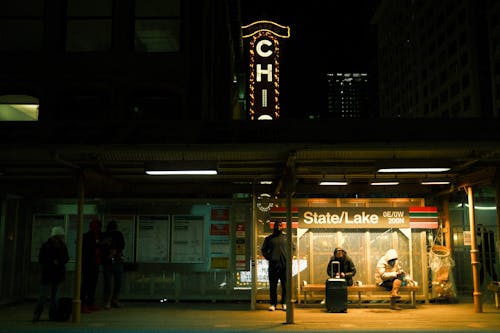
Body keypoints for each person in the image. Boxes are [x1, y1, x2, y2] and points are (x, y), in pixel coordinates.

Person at [33, 226, 69, 322]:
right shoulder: (46, 246)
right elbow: (41, 259)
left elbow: (66, 258)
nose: (62, 238)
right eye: (61, 236)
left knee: (54, 298)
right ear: (56, 236)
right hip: (49, 274)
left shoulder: (61, 246)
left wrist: (58, 261)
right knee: (43, 297)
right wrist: (53, 262)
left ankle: (52, 315)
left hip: (55, 274)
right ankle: (37, 314)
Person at [261, 220, 288, 311]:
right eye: (277, 225)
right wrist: (270, 257)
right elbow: (263, 250)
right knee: (273, 286)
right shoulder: (269, 239)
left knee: (285, 285)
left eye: (280, 225)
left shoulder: (286, 238)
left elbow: (293, 248)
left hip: (284, 265)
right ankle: (273, 304)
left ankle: (284, 303)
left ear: (282, 227)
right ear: (274, 227)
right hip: (273, 265)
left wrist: (289, 257)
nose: (278, 227)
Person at [100, 220, 125, 309]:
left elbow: (122, 245)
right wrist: (114, 252)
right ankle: (112, 300)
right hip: (114, 261)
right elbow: (122, 245)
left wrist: (113, 252)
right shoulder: (117, 234)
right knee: (114, 282)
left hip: (110, 261)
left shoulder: (105, 235)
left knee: (110, 283)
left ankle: (109, 301)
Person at [81, 218, 102, 313]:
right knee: (86, 285)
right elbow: (88, 250)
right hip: (88, 264)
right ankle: (83, 304)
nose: (97, 229)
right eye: (96, 227)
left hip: (95, 264)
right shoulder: (87, 236)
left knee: (92, 285)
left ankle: (90, 303)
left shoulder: (98, 236)